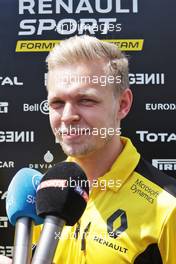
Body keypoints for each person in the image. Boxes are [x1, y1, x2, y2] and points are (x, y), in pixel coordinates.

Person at [1, 35, 176, 264]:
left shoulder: (167, 207)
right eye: (57, 103)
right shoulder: (41, 195)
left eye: (85, 100)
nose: (67, 116)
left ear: (122, 104)